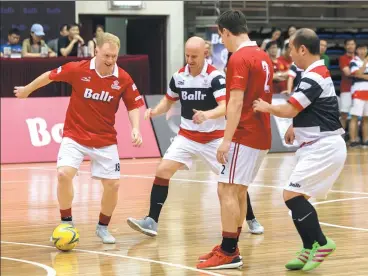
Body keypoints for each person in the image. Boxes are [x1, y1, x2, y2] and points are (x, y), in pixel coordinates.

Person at [126, 36, 264, 238]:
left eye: (194, 56)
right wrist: (155, 111)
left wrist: (207, 115)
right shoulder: (179, 76)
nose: (189, 60)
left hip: (214, 138)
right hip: (187, 136)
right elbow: (168, 100)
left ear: (205, 54)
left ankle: (251, 218)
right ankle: (151, 221)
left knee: (233, 182)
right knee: (163, 170)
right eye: (187, 55)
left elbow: (226, 106)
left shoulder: (215, 77)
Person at [14, 32, 144, 244]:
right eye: (106, 56)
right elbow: (49, 75)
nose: (110, 61)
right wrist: (28, 90)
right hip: (75, 135)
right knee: (64, 175)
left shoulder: (123, 78)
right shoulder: (78, 69)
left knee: (113, 186)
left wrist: (136, 128)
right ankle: (67, 222)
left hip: (105, 139)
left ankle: (102, 227)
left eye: (114, 56)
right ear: (96, 51)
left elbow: (133, 105)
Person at [253, 28, 346, 271]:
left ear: (302, 49)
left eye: (292, 49)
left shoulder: (314, 75)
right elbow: (307, 108)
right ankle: (308, 248)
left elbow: (290, 108)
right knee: (298, 197)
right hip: (316, 145)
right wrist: (295, 125)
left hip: (323, 147)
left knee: (291, 195)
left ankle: (322, 243)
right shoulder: (311, 73)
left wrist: (266, 106)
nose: (290, 54)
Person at [197, 10, 273, 270]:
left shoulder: (239, 58)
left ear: (225, 32)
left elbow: (236, 102)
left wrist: (226, 140)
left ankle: (229, 252)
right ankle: (230, 245)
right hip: (261, 133)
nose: (223, 42)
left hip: (245, 133)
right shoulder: (263, 56)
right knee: (237, 190)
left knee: (226, 189)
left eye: (222, 37)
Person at [348, 44, 368, 147]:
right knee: (354, 117)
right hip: (357, 91)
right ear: (357, 50)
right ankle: (353, 140)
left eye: (365, 49)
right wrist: (364, 64)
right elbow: (356, 73)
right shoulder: (353, 61)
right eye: (360, 49)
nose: (363, 51)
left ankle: (365, 140)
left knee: (366, 117)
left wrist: (361, 75)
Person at [338, 39, 356, 137]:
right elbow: (347, 73)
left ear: (355, 46)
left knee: (355, 115)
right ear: (345, 46)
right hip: (346, 89)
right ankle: (341, 138)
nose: (350, 46)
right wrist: (361, 73)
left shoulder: (358, 59)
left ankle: (354, 138)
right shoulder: (343, 58)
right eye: (348, 44)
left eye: (352, 44)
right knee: (344, 115)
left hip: (358, 90)